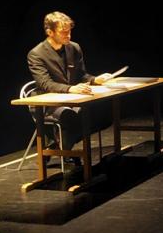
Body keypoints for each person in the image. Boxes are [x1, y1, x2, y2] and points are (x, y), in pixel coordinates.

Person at [27, 11, 113, 163]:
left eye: (69, 31)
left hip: (72, 99)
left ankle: (59, 146)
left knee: (104, 113)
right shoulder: (36, 54)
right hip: (47, 103)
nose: (68, 35)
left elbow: (82, 75)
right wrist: (70, 88)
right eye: (63, 32)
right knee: (70, 117)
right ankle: (64, 149)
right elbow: (44, 83)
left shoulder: (74, 48)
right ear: (50, 32)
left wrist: (95, 79)